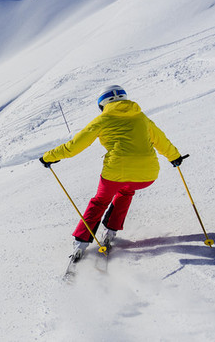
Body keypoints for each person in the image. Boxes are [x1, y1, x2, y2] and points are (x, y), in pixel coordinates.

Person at [39, 85, 187, 258]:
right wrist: (174, 157)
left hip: (116, 171)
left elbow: (75, 146)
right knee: (126, 191)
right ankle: (110, 232)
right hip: (147, 174)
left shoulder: (103, 119)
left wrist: (49, 157)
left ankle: (80, 243)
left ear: (102, 104)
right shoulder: (141, 117)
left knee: (100, 201)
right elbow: (160, 140)